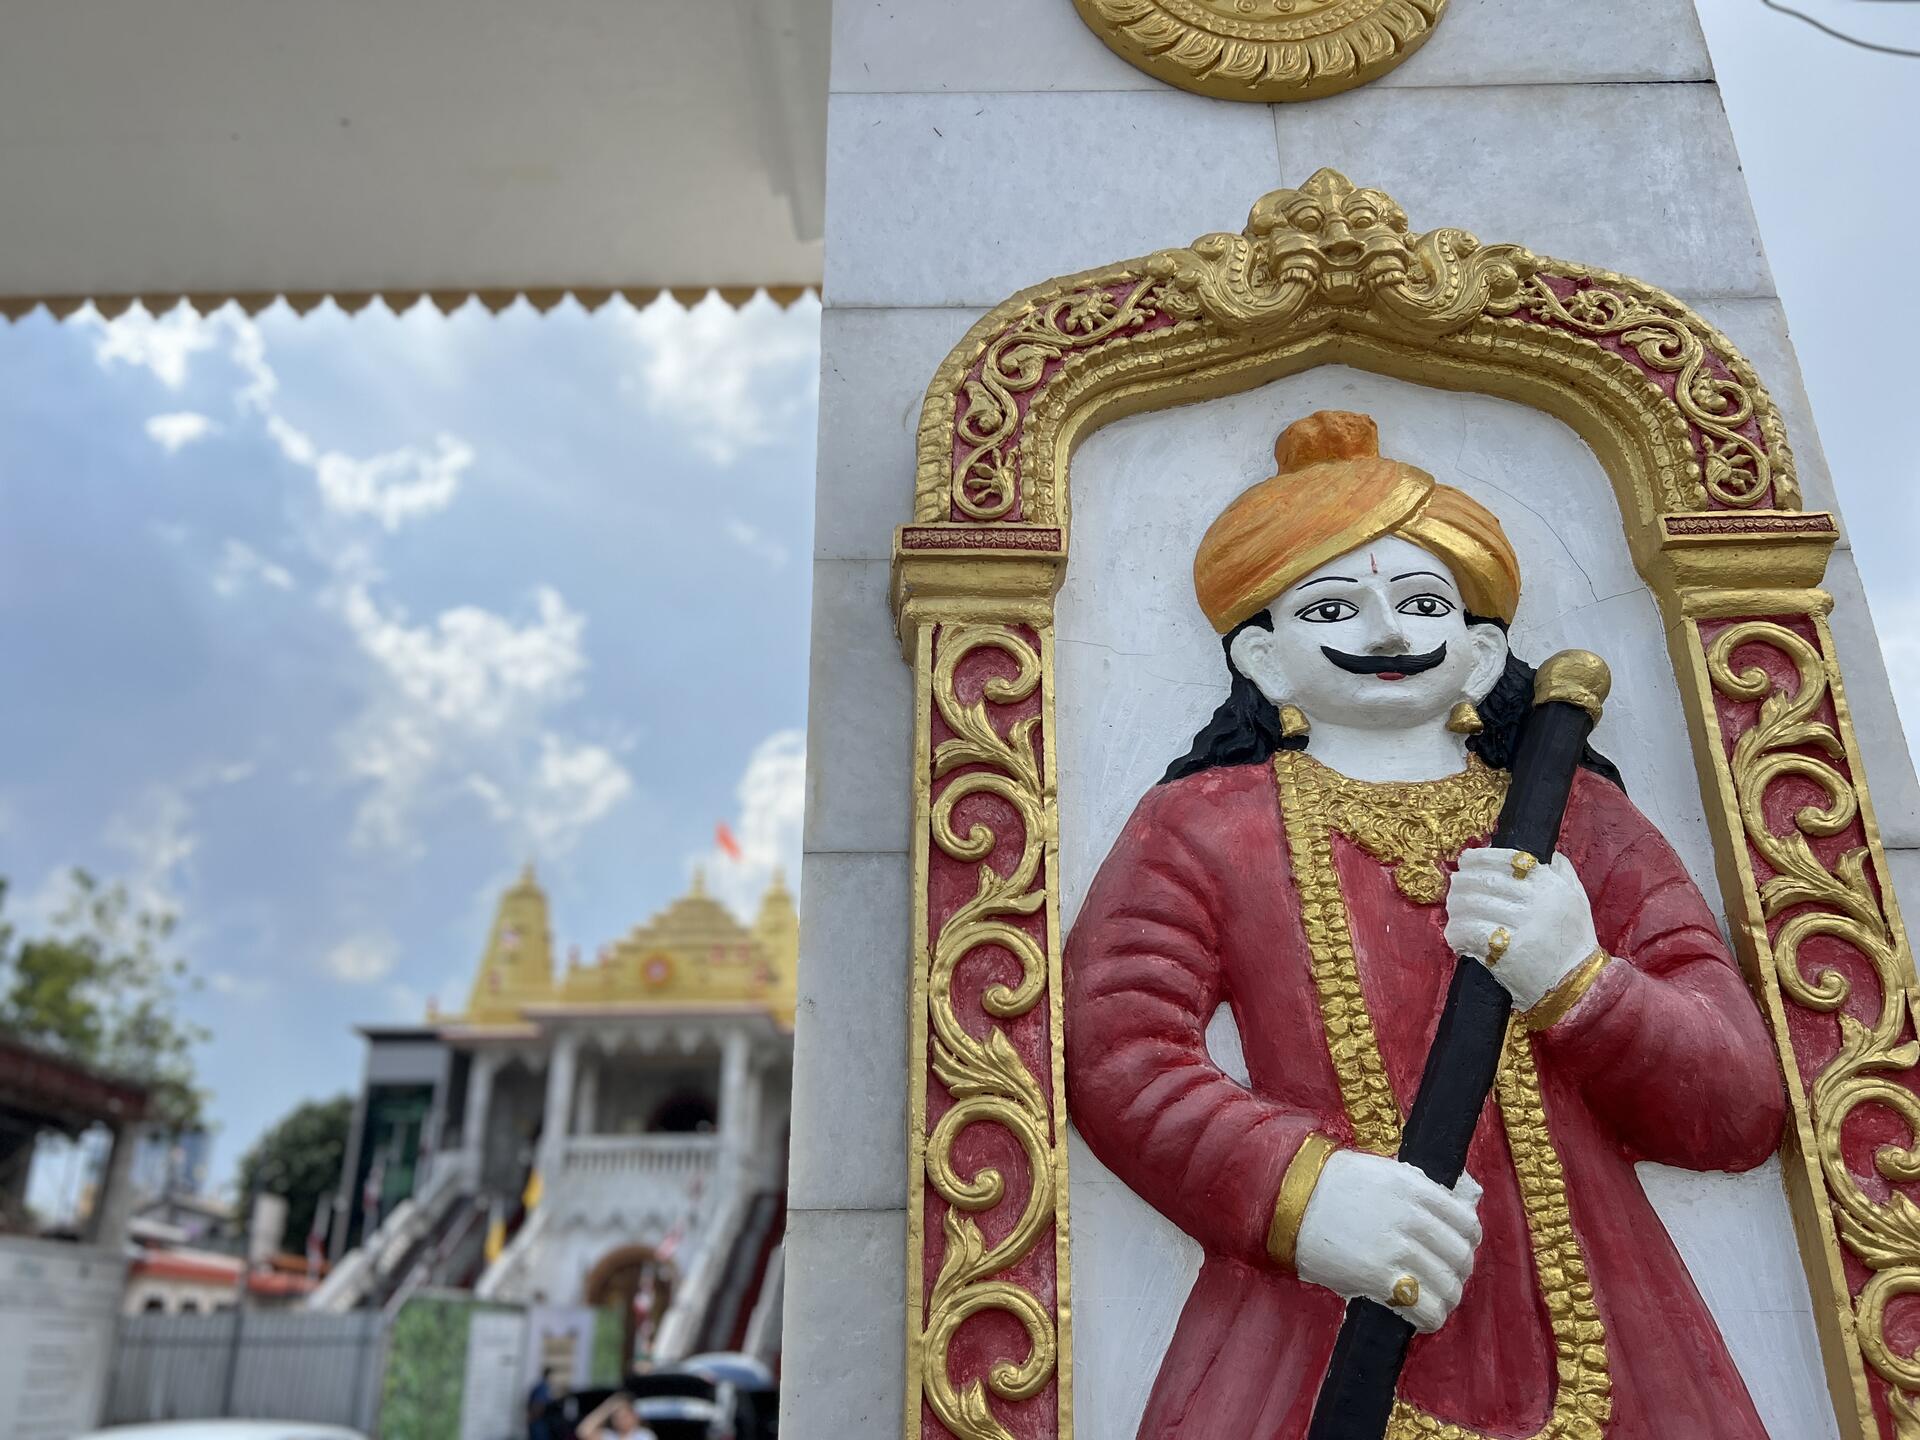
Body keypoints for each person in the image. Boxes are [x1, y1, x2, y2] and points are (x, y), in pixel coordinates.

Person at [1064, 411, 1786, 1439]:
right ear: (1263, 661)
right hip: (1316, 1301)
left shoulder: (1584, 818)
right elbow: (1117, 1052)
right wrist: (1299, 1194)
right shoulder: (1204, 825)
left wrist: (1582, 982)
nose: (1391, 634)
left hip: (1617, 1334)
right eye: (1331, 607)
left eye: (1421, 600)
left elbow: (1742, 1105)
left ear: (1485, 650)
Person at [575, 1392, 655, 1440]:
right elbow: (584, 1431)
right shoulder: (609, 1436)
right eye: (616, 1417)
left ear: (633, 1416)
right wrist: (608, 1407)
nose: (621, 1420)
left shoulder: (643, 1435)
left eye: (624, 1416)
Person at [525, 1368, 557, 1440]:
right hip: (539, 1422)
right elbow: (538, 1404)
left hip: (538, 1422)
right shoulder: (543, 1387)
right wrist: (533, 1417)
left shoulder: (541, 1386)